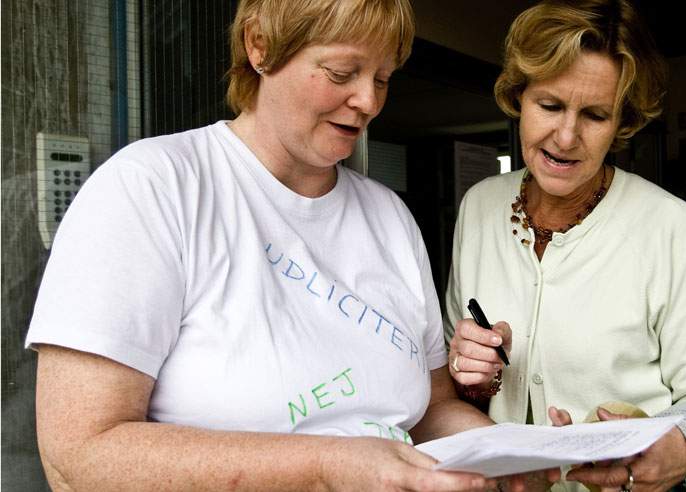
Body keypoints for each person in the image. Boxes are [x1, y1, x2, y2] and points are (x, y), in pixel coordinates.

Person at [26, 1, 547, 490]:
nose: (368, 101)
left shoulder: (390, 217)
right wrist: (327, 467)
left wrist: (524, 453)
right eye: (342, 73)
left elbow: (431, 412)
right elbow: (78, 456)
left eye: (383, 78)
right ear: (261, 46)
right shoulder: (153, 188)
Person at [444, 1, 686, 491]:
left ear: (623, 123)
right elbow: (452, 386)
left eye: (595, 115)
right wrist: (474, 374)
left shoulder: (667, 224)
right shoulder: (479, 207)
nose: (566, 135)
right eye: (550, 106)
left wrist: (675, 455)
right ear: (519, 96)